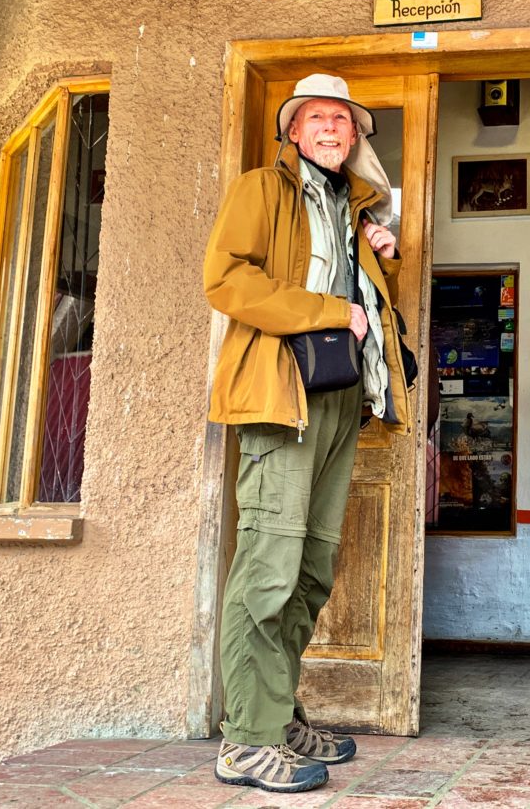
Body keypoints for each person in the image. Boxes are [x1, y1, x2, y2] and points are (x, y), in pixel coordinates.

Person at [203, 74, 413, 793]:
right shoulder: (261, 188)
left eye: (343, 122)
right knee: (267, 568)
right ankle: (247, 741)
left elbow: (366, 314)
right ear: (293, 131)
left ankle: (278, 713)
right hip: (279, 394)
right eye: (317, 119)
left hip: (339, 397)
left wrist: (382, 258)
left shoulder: (353, 208)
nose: (332, 130)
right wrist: (326, 308)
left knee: (310, 572)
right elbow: (225, 279)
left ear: (355, 136)